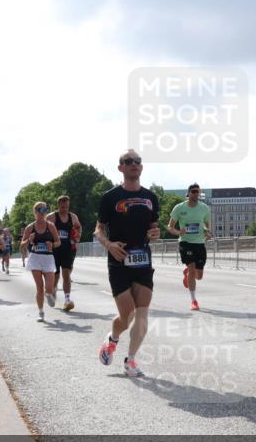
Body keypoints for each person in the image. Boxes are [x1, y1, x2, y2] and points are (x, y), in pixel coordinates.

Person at [95, 149, 161, 377]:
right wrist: (109, 245)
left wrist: (155, 233)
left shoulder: (151, 197)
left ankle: (130, 360)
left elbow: (153, 227)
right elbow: (98, 229)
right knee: (127, 315)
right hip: (119, 261)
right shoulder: (110, 197)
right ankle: (112, 339)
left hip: (142, 260)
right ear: (121, 168)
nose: (133, 164)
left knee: (142, 312)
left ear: (141, 167)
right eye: (128, 161)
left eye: (137, 161)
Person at [168, 183, 213, 310]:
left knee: (199, 276)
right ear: (188, 193)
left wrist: (207, 232)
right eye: (193, 191)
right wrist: (178, 232)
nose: (196, 194)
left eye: (198, 192)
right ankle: (194, 301)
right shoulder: (179, 208)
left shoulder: (204, 208)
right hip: (185, 242)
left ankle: (188, 273)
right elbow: (170, 227)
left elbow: (206, 225)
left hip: (199, 243)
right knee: (192, 268)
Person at [21, 202, 60, 322]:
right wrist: (29, 239)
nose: (42, 212)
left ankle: (49, 294)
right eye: (40, 209)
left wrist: (52, 244)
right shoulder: (30, 227)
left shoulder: (51, 226)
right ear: (35, 211)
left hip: (48, 258)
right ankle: (41, 312)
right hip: (35, 258)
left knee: (48, 288)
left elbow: (58, 242)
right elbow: (22, 245)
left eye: (45, 209)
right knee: (39, 287)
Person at [47, 195, 83, 311]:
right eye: (62, 207)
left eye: (66, 206)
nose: (64, 209)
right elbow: (43, 228)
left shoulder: (73, 217)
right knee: (56, 275)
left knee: (66, 274)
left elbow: (79, 228)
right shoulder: (52, 217)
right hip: (55, 249)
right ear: (58, 206)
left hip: (68, 249)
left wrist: (77, 238)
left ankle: (67, 300)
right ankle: (54, 289)